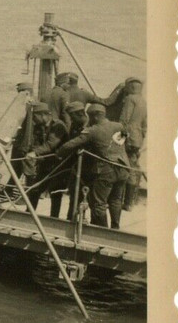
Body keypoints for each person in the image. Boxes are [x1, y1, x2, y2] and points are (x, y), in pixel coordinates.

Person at [56, 103, 130, 229]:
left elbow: (70, 145)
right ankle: (115, 228)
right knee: (116, 200)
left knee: (98, 203)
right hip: (124, 169)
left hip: (107, 170)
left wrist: (59, 153)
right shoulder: (119, 126)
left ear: (95, 117)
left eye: (89, 116)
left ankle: (103, 233)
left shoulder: (93, 131)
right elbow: (124, 140)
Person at [21, 104, 68, 210]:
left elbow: (50, 145)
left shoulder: (58, 126)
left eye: (35, 117)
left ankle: (54, 219)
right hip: (46, 164)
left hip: (59, 165)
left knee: (55, 192)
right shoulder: (39, 126)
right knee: (35, 189)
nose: (33, 120)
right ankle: (29, 213)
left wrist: (35, 153)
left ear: (43, 115)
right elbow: (37, 144)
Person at [48, 101, 88, 219]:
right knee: (58, 188)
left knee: (78, 195)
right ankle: (55, 217)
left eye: (72, 116)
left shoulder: (88, 126)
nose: (70, 119)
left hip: (84, 166)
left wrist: (61, 153)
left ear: (79, 114)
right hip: (71, 163)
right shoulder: (76, 124)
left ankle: (72, 219)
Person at [119, 78, 147, 209]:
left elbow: (124, 120)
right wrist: (140, 139)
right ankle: (130, 201)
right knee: (134, 167)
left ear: (130, 88)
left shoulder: (130, 99)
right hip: (138, 139)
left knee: (125, 166)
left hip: (128, 137)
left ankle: (125, 203)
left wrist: (119, 139)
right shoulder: (143, 101)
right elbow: (145, 125)